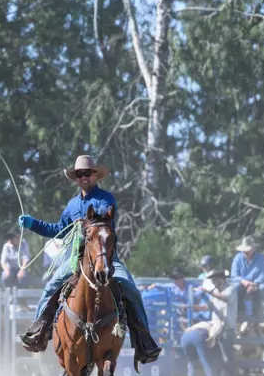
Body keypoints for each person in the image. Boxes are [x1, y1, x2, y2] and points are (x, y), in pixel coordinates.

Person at [17, 155, 161, 364]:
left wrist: (85, 223)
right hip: (76, 259)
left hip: (105, 258)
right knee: (51, 286)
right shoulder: (71, 205)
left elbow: (103, 218)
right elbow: (59, 230)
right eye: (79, 174)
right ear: (75, 178)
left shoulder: (105, 199)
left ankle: (144, 341)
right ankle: (38, 332)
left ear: (95, 175)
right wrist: (33, 224)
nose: (83, 177)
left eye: (87, 173)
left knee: (130, 287)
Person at [180, 268, 235, 376]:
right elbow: (211, 308)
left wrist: (208, 291)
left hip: (188, 335)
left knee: (193, 363)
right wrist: (195, 307)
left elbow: (224, 299)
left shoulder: (230, 290)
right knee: (210, 364)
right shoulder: (216, 319)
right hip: (205, 334)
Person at [230, 235, 264, 328]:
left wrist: (255, 284)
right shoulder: (238, 258)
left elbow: (263, 274)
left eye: (247, 250)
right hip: (241, 283)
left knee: (262, 289)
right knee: (235, 289)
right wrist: (244, 282)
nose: (245, 252)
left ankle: (257, 315)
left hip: (256, 284)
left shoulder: (260, 258)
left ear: (253, 249)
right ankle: (239, 313)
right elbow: (234, 275)